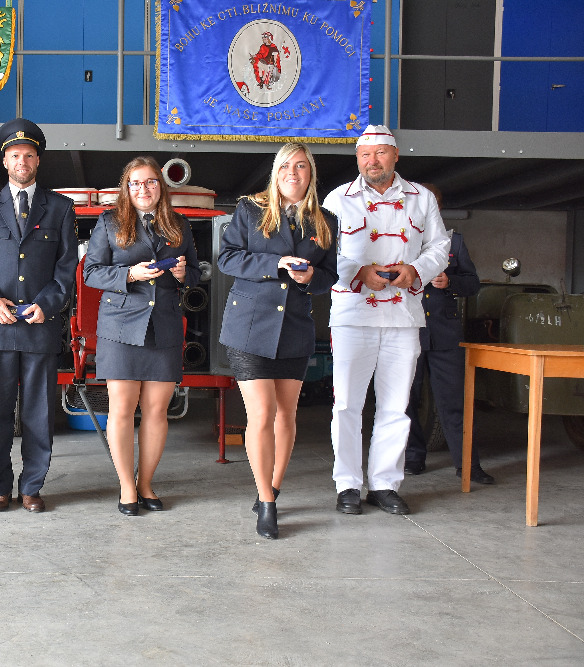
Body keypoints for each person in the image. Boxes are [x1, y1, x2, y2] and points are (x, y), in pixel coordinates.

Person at [322, 125, 450, 516]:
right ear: (357, 159)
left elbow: (439, 246)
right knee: (346, 403)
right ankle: (347, 485)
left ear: (395, 155)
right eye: (365, 155)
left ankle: (384, 484)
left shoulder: (421, 198)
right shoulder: (337, 199)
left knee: (396, 405)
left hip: (403, 315)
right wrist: (359, 272)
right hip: (353, 313)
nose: (372, 161)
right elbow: (324, 252)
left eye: (380, 153)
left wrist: (416, 269)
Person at [217, 143, 338, 539]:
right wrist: (276, 264)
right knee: (262, 413)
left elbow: (330, 275)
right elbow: (227, 258)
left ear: (310, 173)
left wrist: (311, 278)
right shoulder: (250, 210)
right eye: (285, 165)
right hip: (249, 327)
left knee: (287, 415)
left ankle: (273, 487)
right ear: (275, 172)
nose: (293, 173)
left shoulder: (326, 220)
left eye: (301, 166)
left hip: (295, 329)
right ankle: (266, 503)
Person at [0, 118, 77, 513]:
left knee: (38, 412)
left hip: (41, 326)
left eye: (28, 155)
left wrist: (48, 303)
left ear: (38, 160)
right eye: (14, 155)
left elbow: (66, 268)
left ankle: (31, 487)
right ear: (4, 161)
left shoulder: (60, 207)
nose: (22, 161)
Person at [83, 156, 200, 516]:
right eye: (135, 183)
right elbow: (91, 272)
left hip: (164, 325)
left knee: (156, 412)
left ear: (160, 187)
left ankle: (146, 483)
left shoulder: (179, 224)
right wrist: (129, 275)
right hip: (119, 326)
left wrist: (183, 275)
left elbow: (196, 273)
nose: (143, 189)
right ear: (127, 188)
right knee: (121, 410)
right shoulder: (109, 222)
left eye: (150, 182)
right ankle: (126, 487)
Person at [404, 184, 493, 484]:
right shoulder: (399, 239)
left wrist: (450, 281)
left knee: (455, 401)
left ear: (438, 207)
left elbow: (473, 283)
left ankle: (468, 464)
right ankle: (413, 457)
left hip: (445, 333)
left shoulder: (454, 242)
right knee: (406, 400)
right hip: (409, 330)